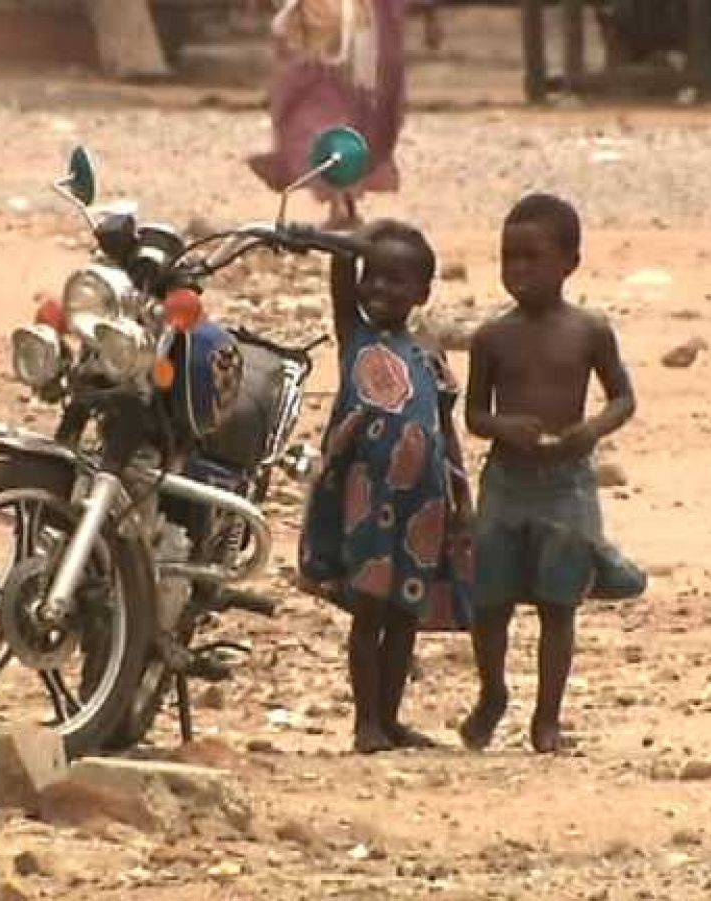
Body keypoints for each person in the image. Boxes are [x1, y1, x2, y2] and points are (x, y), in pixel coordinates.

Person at [458, 194, 647, 755]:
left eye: (531, 258)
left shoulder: (589, 330)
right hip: (508, 481)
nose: (517, 270)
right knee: (490, 600)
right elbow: (474, 415)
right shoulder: (492, 338)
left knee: (558, 602)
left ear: (569, 262)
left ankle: (548, 718)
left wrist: (591, 432)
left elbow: (622, 398)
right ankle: (492, 693)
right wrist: (503, 426)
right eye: (508, 258)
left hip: (566, 483)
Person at [296, 218, 475, 754]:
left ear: (422, 292)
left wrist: (462, 499)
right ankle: (365, 722)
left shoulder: (429, 352)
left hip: (423, 504)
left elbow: (445, 430)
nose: (380, 289)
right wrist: (348, 244)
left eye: (396, 281)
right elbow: (340, 276)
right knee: (369, 610)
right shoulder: (357, 336)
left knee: (404, 616)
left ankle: (392, 719)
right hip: (367, 501)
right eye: (371, 277)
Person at [249, 1, 429, 229]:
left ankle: (341, 204)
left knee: (320, 124)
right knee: (345, 118)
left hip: (333, 31)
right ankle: (344, 202)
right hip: (357, 31)